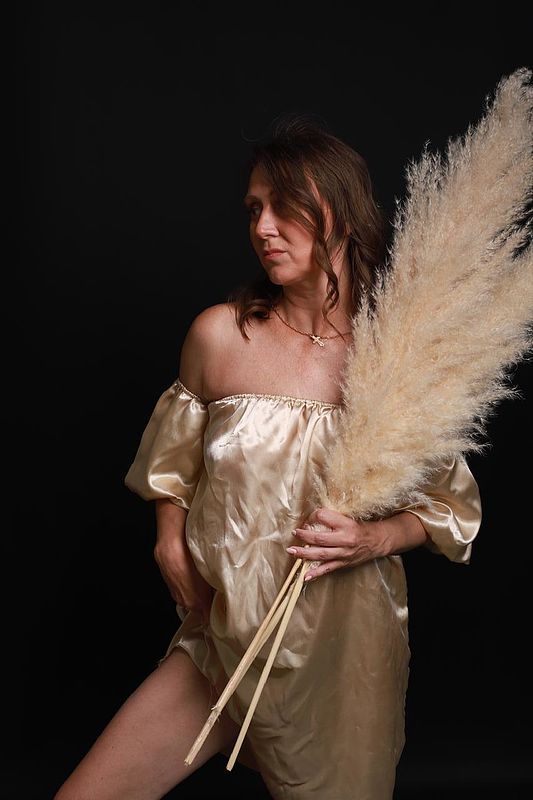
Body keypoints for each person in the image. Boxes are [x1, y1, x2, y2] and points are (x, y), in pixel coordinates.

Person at [54, 116, 482, 800]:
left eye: (285, 207)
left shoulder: (397, 358)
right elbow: (171, 466)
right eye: (254, 208)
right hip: (223, 636)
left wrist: (374, 538)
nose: (263, 227)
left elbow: (449, 510)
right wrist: (168, 539)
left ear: (342, 213)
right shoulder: (219, 337)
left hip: (344, 657)